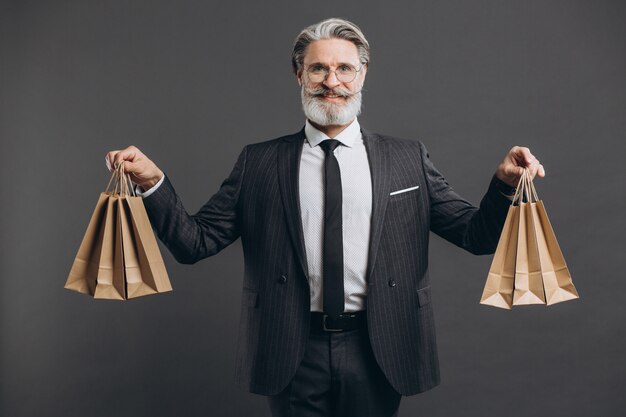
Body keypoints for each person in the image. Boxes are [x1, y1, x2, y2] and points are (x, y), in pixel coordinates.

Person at [107, 18, 545, 417]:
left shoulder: (407, 158)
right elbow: (194, 243)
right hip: (291, 349)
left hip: (380, 347)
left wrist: (505, 183)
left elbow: (476, 235)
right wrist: (153, 182)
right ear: (299, 75)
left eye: (344, 69)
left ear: (363, 75)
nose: (331, 82)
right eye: (317, 69)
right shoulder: (258, 163)